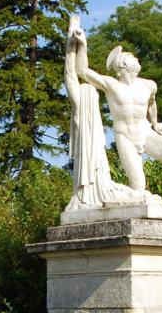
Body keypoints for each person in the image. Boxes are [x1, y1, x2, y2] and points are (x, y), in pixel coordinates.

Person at [69, 27, 162, 210]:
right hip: (125, 136)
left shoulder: (149, 85)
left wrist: (155, 123)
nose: (136, 59)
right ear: (121, 65)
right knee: (139, 186)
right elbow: (82, 70)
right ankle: (117, 197)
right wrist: (82, 43)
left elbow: (152, 104)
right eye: (131, 57)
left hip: (145, 132)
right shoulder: (111, 85)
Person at [63, 16, 148, 211]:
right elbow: (75, 73)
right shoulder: (81, 101)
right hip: (96, 160)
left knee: (132, 191)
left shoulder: (145, 86)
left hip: (100, 162)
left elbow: (71, 75)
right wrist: (74, 42)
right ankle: (135, 197)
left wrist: (74, 43)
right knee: (132, 191)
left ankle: (136, 196)